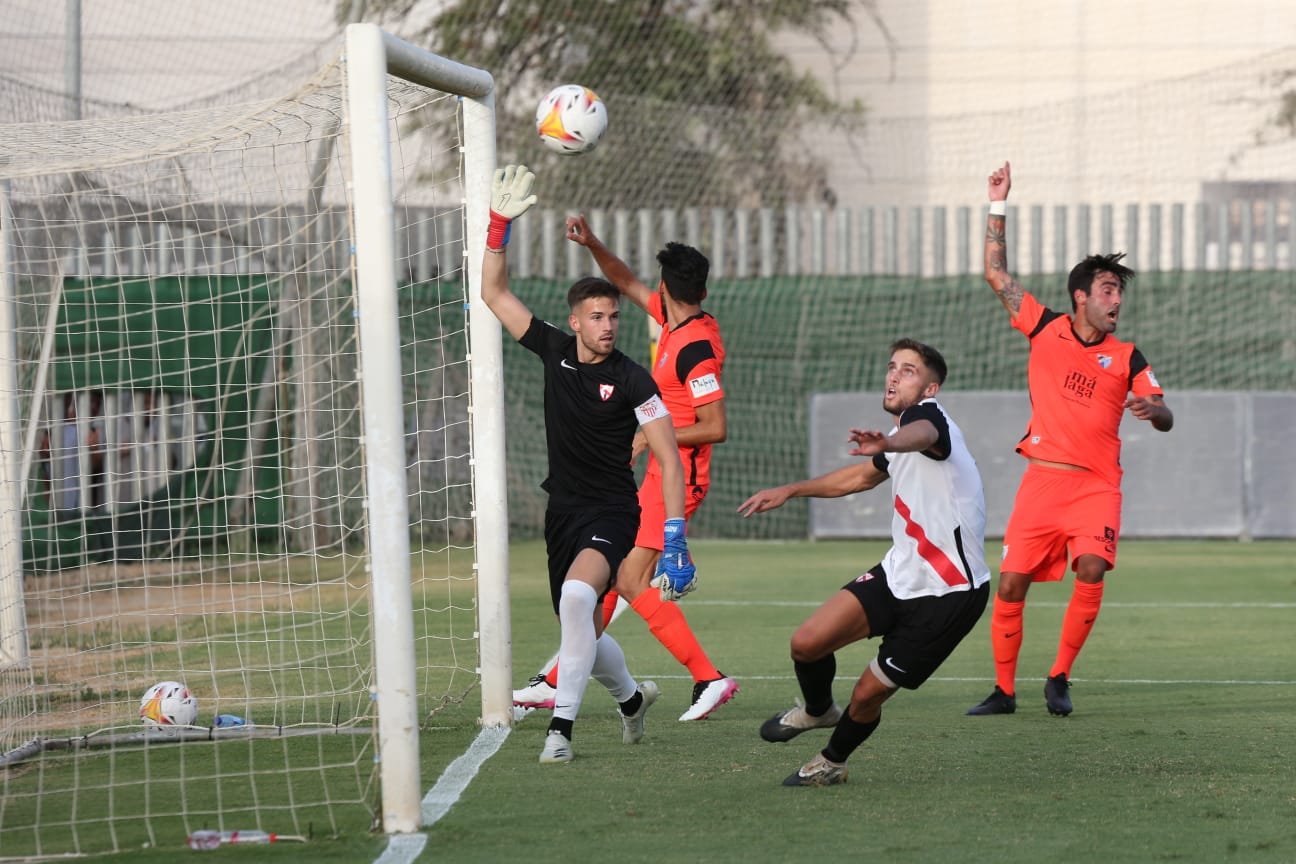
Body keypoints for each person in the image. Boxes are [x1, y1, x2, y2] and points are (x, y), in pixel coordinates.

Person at [481, 164, 697, 763]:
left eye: (614, 316)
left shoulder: (633, 377)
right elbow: (493, 293)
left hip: (612, 510)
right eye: (597, 317)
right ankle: (631, 700)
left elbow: (668, 458)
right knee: (579, 626)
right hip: (564, 512)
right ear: (574, 321)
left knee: (579, 603)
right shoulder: (552, 349)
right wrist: (498, 226)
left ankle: (562, 732)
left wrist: (674, 535)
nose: (608, 325)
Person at [966, 161, 1174, 718]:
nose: (1117, 301)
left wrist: (1154, 409)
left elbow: (1166, 416)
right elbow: (995, 273)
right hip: (1041, 483)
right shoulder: (1042, 325)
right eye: (1108, 290)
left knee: (1091, 568)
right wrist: (998, 202)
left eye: (1119, 293)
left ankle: (1059, 676)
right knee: (1009, 585)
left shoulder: (1129, 356)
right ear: (1081, 296)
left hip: (1096, 488)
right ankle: (1003, 692)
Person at [510, 215, 737, 722]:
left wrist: (647, 434)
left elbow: (715, 426)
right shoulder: (675, 318)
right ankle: (554, 681)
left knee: (630, 579)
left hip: (679, 473)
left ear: (667, 288)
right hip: (657, 470)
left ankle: (709, 677)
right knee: (610, 576)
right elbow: (626, 280)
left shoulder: (696, 349)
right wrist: (592, 243)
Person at [737, 339, 990, 787]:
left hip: (948, 596)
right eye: (893, 366)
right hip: (900, 574)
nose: (894, 375)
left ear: (930, 387)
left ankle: (832, 761)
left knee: (867, 694)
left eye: (908, 370)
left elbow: (924, 435)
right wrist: (792, 490)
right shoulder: (899, 440)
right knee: (807, 643)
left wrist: (892, 439)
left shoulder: (927, 420)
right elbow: (858, 477)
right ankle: (818, 711)